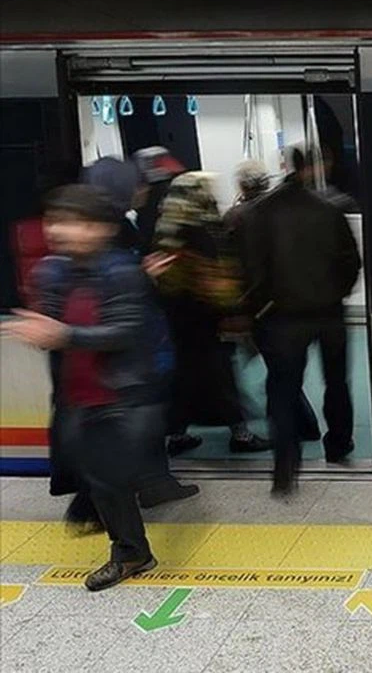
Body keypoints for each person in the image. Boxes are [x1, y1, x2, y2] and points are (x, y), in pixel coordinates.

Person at [2, 185, 162, 590]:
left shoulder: (121, 272)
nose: (59, 230)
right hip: (77, 394)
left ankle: (131, 552)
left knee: (108, 478)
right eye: (55, 221)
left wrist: (63, 334)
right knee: (94, 474)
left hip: (120, 396)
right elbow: (52, 326)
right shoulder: (54, 271)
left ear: (100, 228)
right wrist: (41, 329)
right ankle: (124, 537)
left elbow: (126, 331)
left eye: (72, 223)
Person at [81, 157, 200, 507]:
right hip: (129, 351)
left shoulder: (122, 225)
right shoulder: (108, 232)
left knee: (146, 420)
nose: (145, 189)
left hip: (140, 345)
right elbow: (103, 296)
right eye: (138, 183)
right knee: (134, 423)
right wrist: (143, 275)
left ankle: (152, 482)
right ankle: (131, 491)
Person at [242, 146, 361, 495]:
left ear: (286, 166)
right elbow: (351, 262)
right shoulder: (331, 209)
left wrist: (262, 308)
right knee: (336, 382)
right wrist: (337, 293)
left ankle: (285, 466)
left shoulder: (258, 212)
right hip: (329, 313)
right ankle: (338, 445)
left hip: (282, 317)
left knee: (282, 390)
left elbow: (251, 269)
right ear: (314, 167)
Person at [152, 171, 271, 454]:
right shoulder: (201, 231)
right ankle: (241, 436)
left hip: (177, 320)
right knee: (222, 378)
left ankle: (177, 435)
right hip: (207, 320)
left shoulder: (165, 230)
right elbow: (216, 280)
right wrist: (235, 309)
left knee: (184, 380)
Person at [224, 160, 324, 444]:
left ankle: (295, 425)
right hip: (286, 299)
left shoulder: (235, 217)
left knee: (275, 367)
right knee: (283, 364)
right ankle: (299, 423)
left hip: (255, 303)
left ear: (242, 185)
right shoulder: (281, 212)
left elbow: (231, 261)